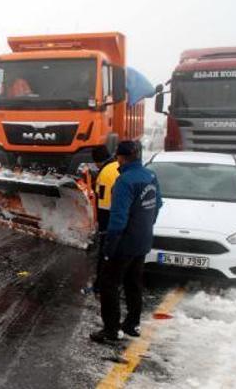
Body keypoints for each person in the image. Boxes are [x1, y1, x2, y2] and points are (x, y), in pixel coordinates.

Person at [90, 141, 162, 344]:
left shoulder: (124, 181)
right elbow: (158, 204)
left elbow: (118, 219)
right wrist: (145, 226)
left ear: (120, 157)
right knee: (133, 283)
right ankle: (132, 323)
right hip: (143, 241)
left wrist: (109, 247)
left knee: (109, 284)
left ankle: (111, 330)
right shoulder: (150, 176)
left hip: (124, 243)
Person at [90, 146, 120, 294]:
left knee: (104, 254)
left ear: (97, 162)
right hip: (124, 218)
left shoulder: (105, 174)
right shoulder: (118, 165)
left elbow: (103, 203)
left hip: (109, 219)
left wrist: (101, 227)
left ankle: (99, 286)